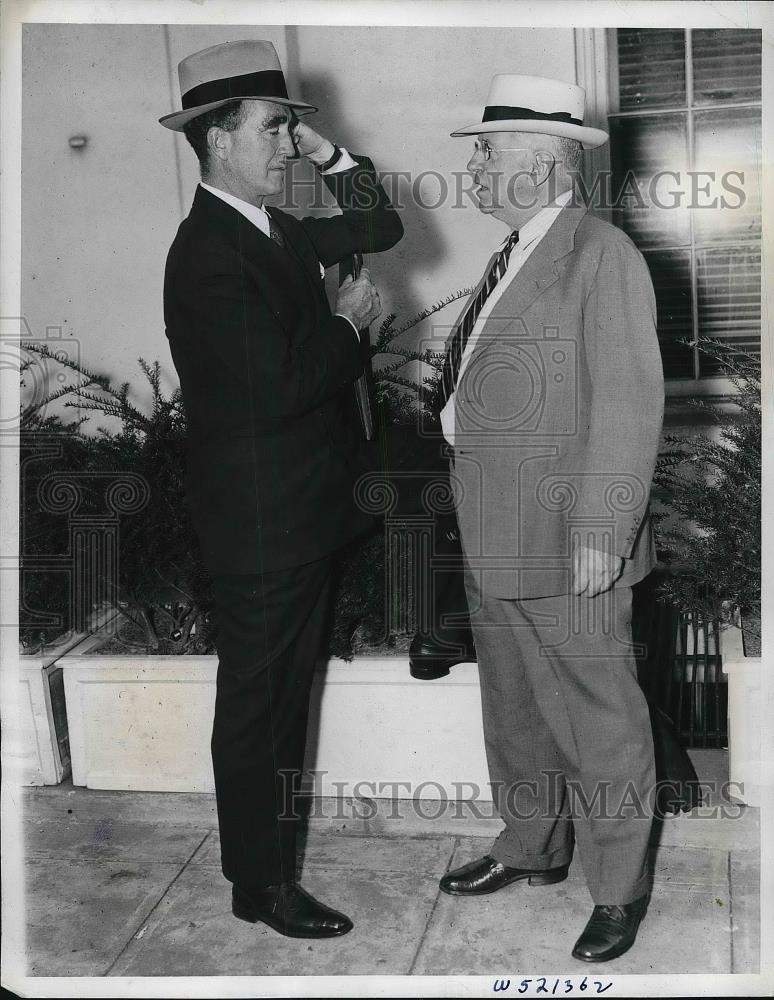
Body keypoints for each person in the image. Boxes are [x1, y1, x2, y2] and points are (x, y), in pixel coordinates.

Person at [159, 39, 402, 939]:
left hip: (300, 513)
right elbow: (279, 388)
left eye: (292, 132)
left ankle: (260, 870)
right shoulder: (207, 255)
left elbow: (379, 229)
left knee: (281, 699)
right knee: (261, 709)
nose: (287, 148)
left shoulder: (274, 228)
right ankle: (258, 885)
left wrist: (333, 153)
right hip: (264, 527)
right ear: (217, 139)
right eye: (273, 129)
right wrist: (347, 325)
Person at [438, 74, 664, 963]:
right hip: (496, 528)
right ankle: (531, 846)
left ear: (542, 163)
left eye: (488, 152)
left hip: (571, 538)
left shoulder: (600, 253)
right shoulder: (517, 254)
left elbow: (629, 404)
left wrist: (604, 534)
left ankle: (618, 889)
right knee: (516, 708)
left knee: (600, 721)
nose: (477, 167)